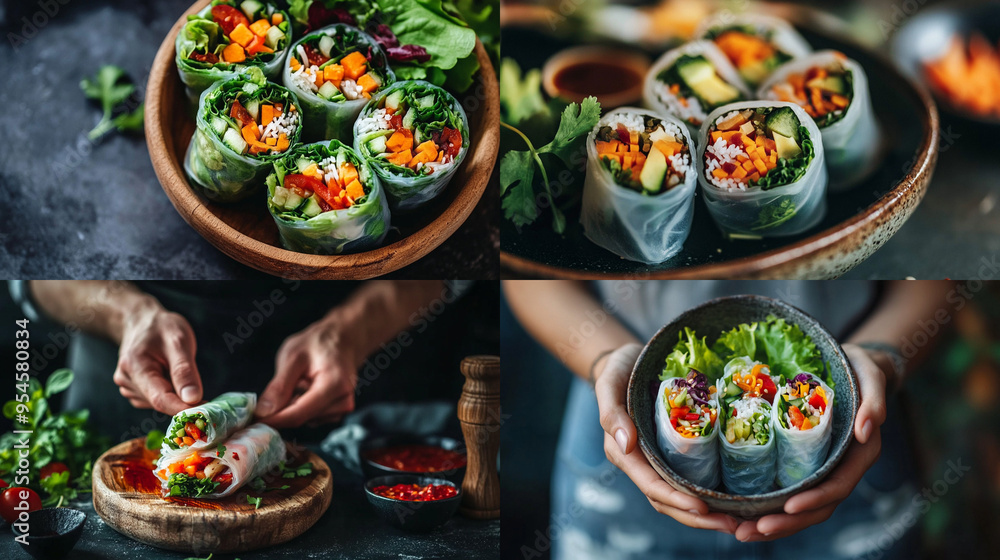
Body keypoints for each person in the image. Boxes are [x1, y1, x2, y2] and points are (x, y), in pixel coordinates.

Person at [504, 280, 952, 559]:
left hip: (852, 450)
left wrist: (881, 359)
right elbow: (526, 276)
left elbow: (936, 277)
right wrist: (604, 360)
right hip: (624, 457)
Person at [14, 280, 456, 439]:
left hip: (338, 410)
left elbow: (445, 269)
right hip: (116, 406)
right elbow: (33, 272)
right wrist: (128, 315)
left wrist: (351, 333)